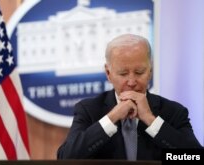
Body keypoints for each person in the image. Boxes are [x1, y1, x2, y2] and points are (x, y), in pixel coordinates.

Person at [57, 34, 203, 160]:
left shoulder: (173, 111)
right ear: (108, 73)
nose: (132, 82)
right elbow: (65, 158)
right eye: (123, 74)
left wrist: (150, 120)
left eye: (139, 72)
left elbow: (194, 157)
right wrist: (112, 117)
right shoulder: (89, 110)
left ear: (150, 71)